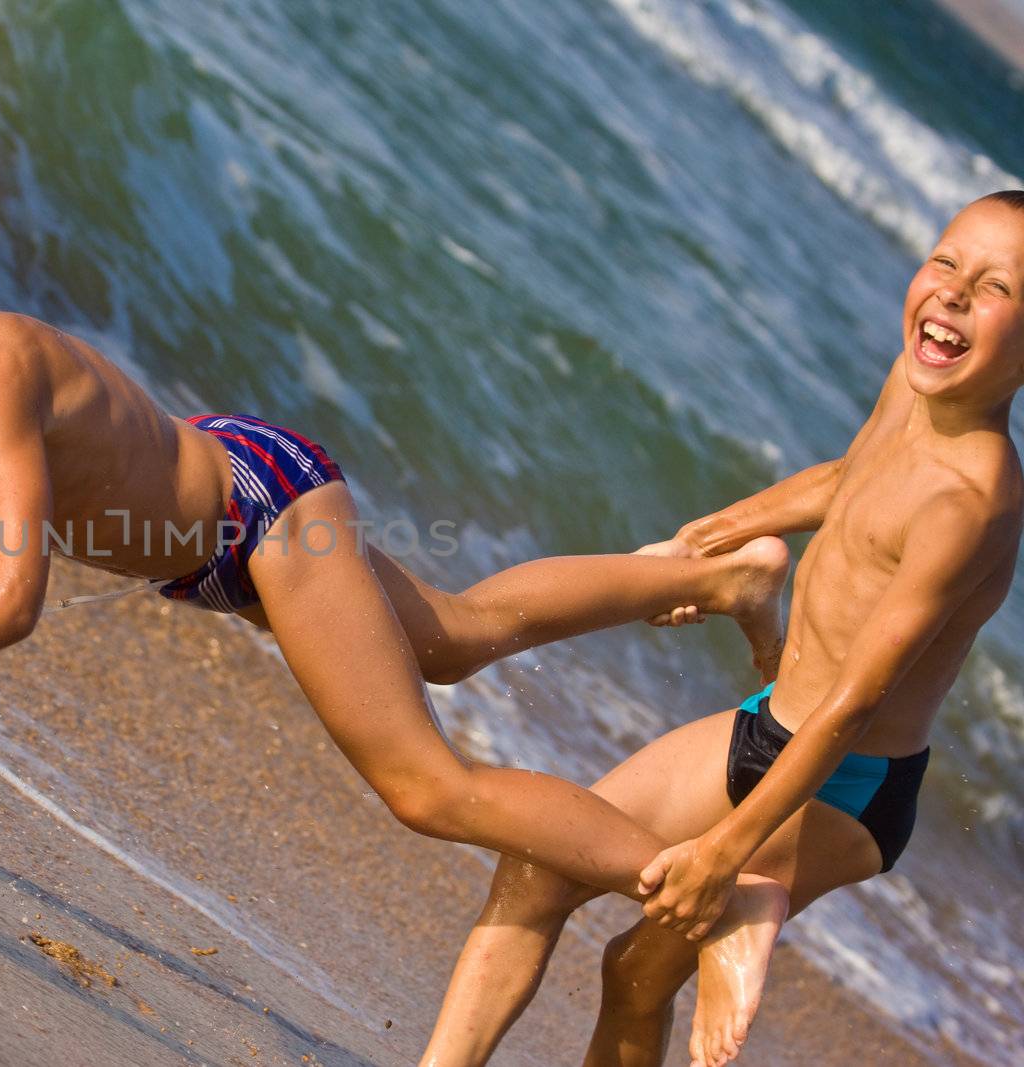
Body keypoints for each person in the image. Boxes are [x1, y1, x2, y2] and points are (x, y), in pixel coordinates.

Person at [0, 165, 794, 1029]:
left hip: (258, 518)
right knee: (460, 634)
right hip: (219, 522)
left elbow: (3, 593)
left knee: (425, 784)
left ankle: (711, 884)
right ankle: (724, 571)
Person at [418, 191, 1024, 1067]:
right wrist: (711, 537)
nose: (953, 293)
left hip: (841, 779)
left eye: (995, 286)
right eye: (944, 261)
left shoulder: (970, 505)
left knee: (636, 966)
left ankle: (754, 896)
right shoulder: (913, 382)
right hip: (774, 720)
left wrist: (723, 855)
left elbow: (855, 703)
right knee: (537, 870)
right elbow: (849, 480)